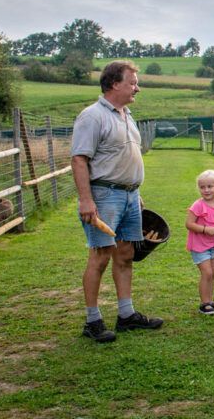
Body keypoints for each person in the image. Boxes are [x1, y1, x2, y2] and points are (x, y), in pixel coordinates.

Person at [71, 61, 163, 343]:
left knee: (125, 255)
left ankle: (126, 315)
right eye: (133, 82)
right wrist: (86, 200)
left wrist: (134, 191)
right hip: (104, 195)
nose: (137, 87)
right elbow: (79, 159)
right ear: (114, 84)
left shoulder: (127, 115)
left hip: (129, 196)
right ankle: (92, 320)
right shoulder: (92, 116)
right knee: (99, 256)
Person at [186, 169, 214, 315]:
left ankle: (211, 301)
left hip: (213, 245)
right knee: (207, 273)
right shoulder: (198, 205)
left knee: (213, 273)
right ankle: (204, 304)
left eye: (210, 186)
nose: (206, 190)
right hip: (199, 247)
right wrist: (205, 229)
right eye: (202, 187)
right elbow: (189, 224)